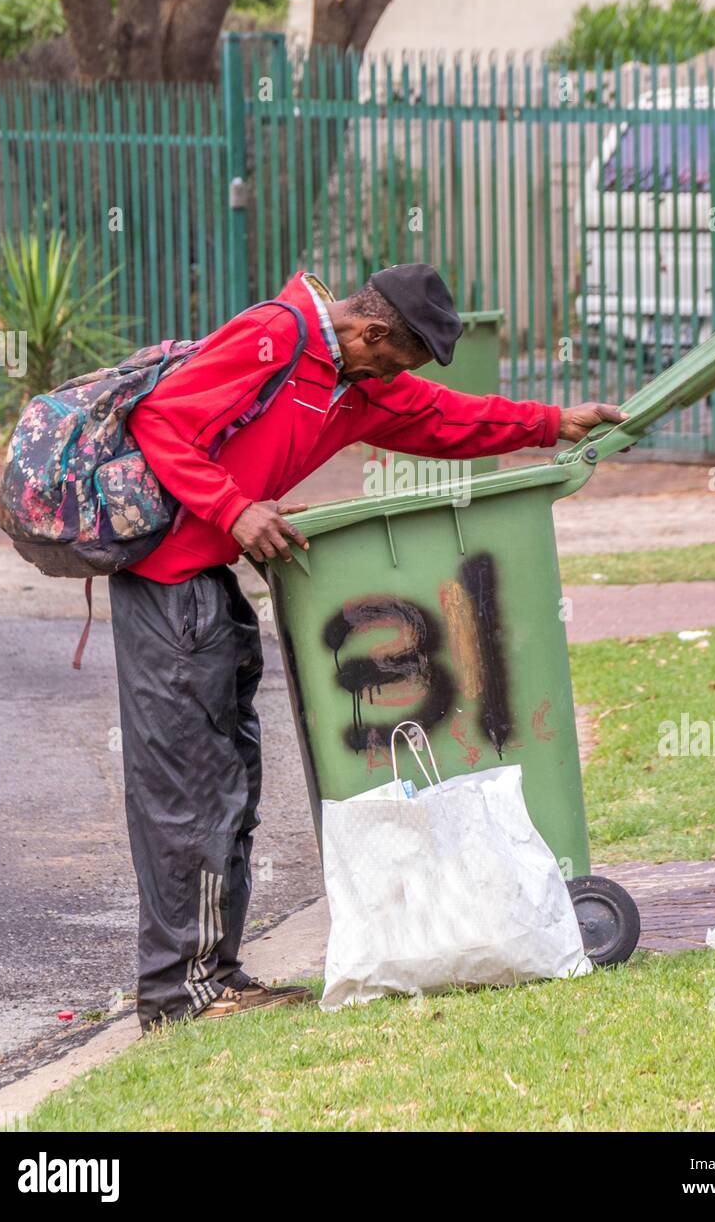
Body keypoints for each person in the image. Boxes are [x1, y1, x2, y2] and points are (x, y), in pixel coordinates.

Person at [110, 262, 627, 1031]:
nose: (394, 378)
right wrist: (234, 509)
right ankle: (178, 993)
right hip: (166, 588)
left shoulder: (351, 383)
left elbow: (443, 418)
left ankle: (215, 976)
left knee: (227, 787)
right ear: (372, 331)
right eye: (395, 360)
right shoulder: (275, 336)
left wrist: (552, 424)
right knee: (188, 793)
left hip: (206, 581)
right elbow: (158, 421)